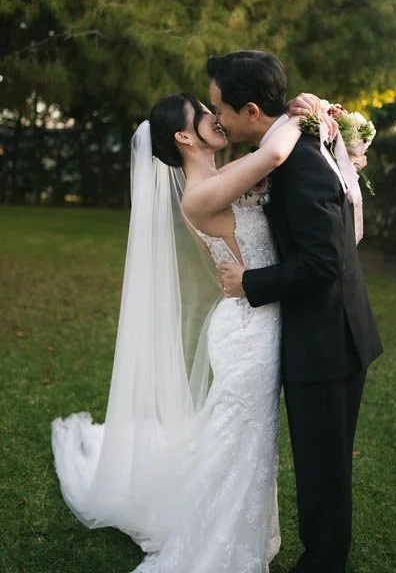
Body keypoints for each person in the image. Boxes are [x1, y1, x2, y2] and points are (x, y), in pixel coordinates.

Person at [52, 89, 309, 573]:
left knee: (244, 441)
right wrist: (307, 113)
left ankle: (240, 531)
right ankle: (218, 546)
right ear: (184, 136)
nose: (218, 117)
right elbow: (275, 152)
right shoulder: (202, 193)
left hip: (252, 319)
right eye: (205, 114)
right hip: (250, 334)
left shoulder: (222, 178)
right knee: (243, 441)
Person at [213, 50, 383, 573]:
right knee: (320, 462)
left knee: (323, 467)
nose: (215, 116)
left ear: (248, 110)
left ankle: (323, 563)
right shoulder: (291, 146)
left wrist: (250, 282)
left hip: (329, 341)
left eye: (220, 107)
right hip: (325, 332)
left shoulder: (296, 165)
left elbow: (325, 261)